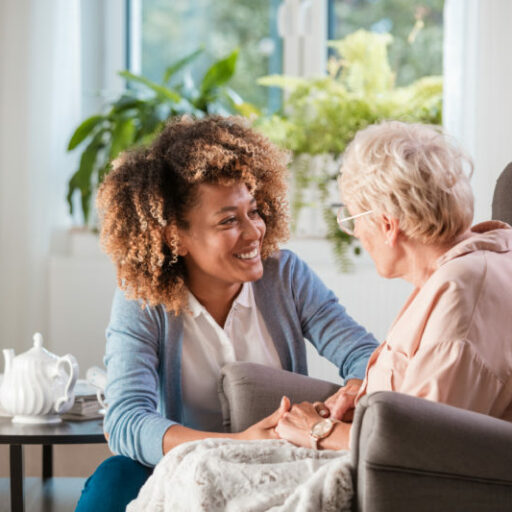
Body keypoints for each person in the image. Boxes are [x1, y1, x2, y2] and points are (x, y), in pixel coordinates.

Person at [75, 116, 378, 511]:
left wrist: (355, 388)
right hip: (181, 469)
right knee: (114, 478)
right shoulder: (142, 300)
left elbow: (364, 355)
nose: (254, 232)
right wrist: (236, 444)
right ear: (174, 237)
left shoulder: (285, 276)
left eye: (253, 211)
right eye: (229, 220)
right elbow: (127, 421)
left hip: (275, 466)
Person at [274, 120, 512, 451]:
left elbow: (421, 447)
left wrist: (318, 430)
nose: (355, 232)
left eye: (353, 219)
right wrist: (369, 400)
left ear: (388, 225)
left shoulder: (460, 292)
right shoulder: (489, 253)